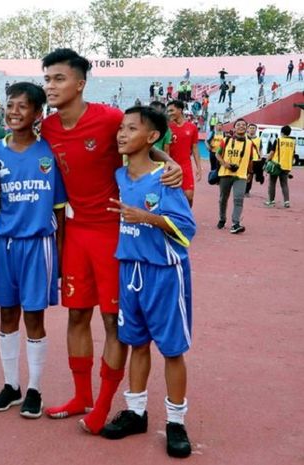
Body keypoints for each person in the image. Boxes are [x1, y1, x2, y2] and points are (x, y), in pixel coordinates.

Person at [38, 48, 182, 434]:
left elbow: (143, 137)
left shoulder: (110, 118)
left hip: (113, 233)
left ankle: (104, 405)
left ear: (80, 83)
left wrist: (170, 161)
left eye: (59, 78)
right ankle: (81, 396)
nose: (51, 86)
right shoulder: (48, 127)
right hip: (76, 232)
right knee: (77, 314)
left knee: (112, 320)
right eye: (48, 79)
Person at [101, 106, 196, 459]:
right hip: (130, 270)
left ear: (152, 136)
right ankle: (136, 412)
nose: (122, 134)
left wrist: (148, 218)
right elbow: (145, 150)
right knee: (136, 343)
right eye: (120, 128)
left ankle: (175, 421)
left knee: (172, 349)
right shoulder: (121, 175)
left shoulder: (166, 179)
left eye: (131, 129)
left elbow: (187, 230)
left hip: (165, 273)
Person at [0, 82, 66, 419]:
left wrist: (59, 255)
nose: (15, 112)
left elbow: (59, 208)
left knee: (34, 316)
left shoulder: (49, 152)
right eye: (11, 105)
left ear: (38, 113)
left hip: (39, 244)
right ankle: (11, 385)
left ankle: (34, 388)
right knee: (6, 315)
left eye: (23, 106)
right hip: (5, 244)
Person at [214, 118, 259, 233]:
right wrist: (225, 164)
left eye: (244, 125)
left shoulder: (250, 143)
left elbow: (251, 160)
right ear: (234, 128)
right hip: (225, 173)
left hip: (241, 175)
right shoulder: (226, 140)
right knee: (223, 199)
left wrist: (250, 173)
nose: (241, 126)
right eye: (238, 125)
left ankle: (235, 223)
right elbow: (217, 155)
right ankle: (222, 219)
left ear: (247, 128)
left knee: (239, 199)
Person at [167, 100, 201, 206]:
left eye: (172, 110)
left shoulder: (192, 127)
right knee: (171, 197)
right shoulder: (167, 127)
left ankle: (186, 217)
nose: (169, 113)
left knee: (189, 195)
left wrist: (199, 167)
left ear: (180, 110)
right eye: (168, 111)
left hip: (185, 166)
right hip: (170, 166)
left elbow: (195, 148)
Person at [264, 125, 295, 208]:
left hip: (276, 165)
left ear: (281, 132)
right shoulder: (293, 142)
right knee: (284, 184)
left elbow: (272, 152)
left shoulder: (278, 140)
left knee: (272, 183)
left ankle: (271, 201)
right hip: (287, 166)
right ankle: (286, 201)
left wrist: (266, 161)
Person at [245, 123, 264, 196]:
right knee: (247, 175)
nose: (252, 129)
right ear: (248, 129)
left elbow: (260, 149)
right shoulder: (245, 138)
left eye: (253, 128)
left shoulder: (259, 139)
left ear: (256, 130)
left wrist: (261, 157)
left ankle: (247, 191)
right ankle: (245, 190)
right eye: (251, 128)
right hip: (247, 159)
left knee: (254, 176)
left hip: (256, 160)